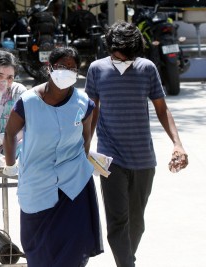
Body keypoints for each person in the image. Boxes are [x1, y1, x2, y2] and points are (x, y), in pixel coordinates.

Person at [85, 21, 189, 267]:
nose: (126, 57)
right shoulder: (96, 69)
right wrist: (84, 146)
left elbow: (162, 109)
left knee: (136, 221)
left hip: (143, 158)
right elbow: (92, 111)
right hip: (110, 157)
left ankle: (126, 259)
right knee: (117, 221)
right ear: (110, 47)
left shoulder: (147, 68)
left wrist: (178, 144)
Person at [3, 46, 104, 267]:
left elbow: (86, 139)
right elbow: (10, 133)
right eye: (61, 66)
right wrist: (10, 165)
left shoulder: (83, 103)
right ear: (49, 68)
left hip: (73, 185)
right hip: (37, 183)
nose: (66, 71)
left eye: (72, 68)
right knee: (39, 247)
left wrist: (81, 165)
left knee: (73, 246)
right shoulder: (28, 101)